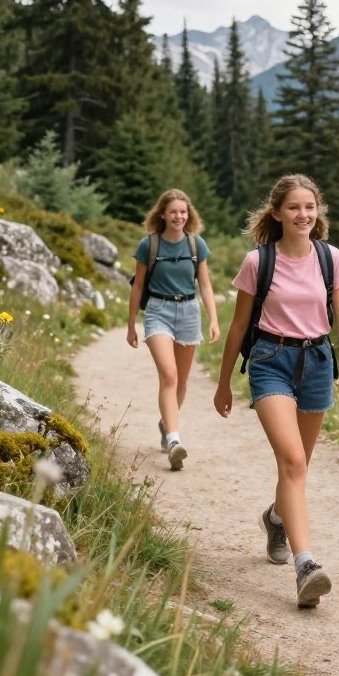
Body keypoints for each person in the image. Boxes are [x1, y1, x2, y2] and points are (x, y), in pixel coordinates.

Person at [213, 174, 339, 609]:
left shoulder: (330, 258)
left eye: (310, 207)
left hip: (318, 363)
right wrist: (225, 381)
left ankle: (277, 517)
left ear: (317, 212)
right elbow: (239, 327)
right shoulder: (257, 261)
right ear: (278, 213)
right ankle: (306, 567)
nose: (303, 215)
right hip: (270, 362)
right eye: (294, 208)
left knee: (297, 468)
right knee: (294, 461)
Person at [128, 189, 219, 471]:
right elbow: (138, 286)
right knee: (168, 375)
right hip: (158, 312)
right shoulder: (149, 245)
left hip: (190, 313)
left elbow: (204, 285)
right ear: (163, 215)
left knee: (181, 382)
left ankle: (166, 423)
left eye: (183, 212)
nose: (179, 216)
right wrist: (131, 323)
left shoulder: (196, 245)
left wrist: (213, 319)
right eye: (173, 212)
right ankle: (174, 440)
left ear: (188, 215)